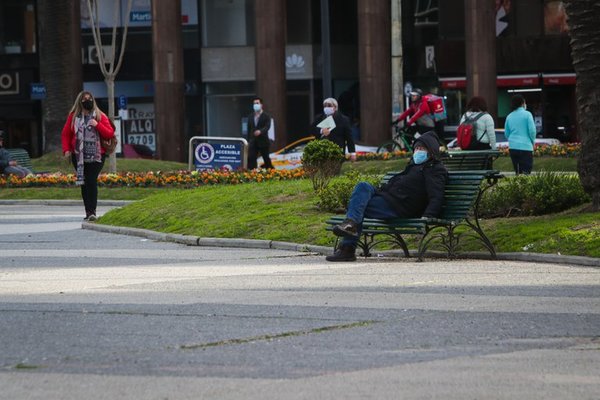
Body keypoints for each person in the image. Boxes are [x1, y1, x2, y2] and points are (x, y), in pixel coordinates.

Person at [327, 131, 448, 262]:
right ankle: (350, 228)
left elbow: (437, 195)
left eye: (422, 149)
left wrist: (428, 216)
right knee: (363, 186)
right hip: (388, 199)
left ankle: (347, 248)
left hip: (400, 206)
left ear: (431, 151)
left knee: (357, 209)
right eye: (416, 148)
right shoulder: (414, 166)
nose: (418, 151)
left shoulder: (434, 169)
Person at [61, 91, 115, 221]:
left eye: (90, 98)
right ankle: (88, 211)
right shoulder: (73, 116)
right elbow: (66, 134)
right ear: (80, 101)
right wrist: (66, 150)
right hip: (78, 155)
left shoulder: (99, 116)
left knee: (91, 180)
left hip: (97, 155)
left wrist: (97, 125)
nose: (87, 101)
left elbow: (109, 133)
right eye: (85, 99)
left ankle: (92, 211)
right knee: (84, 183)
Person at [310, 97, 356, 162]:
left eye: (329, 105)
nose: (326, 107)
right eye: (325, 106)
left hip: (337, 152)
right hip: (321, 152)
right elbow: (312, 129)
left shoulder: (343, 119)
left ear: (335, 107)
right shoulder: (319, 117)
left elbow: (349, 137)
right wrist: (321, 131)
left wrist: (352, 153)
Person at [504, 94, 536, 175]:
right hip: (526, 147)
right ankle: (524, 187)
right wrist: (533, 141)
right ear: (522, 103)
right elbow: (532, 131)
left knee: (518, 171)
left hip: (513, 147)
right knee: (526, 172)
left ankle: (518, 187)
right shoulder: (527, 114)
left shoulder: (509, 116)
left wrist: (513, 140)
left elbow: (506, 133)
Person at [246, 97, 273, 170]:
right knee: (251, 157)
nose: (255, 105)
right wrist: (248, 141)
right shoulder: (250, 116)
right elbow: (249, 129)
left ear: (261, 105)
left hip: (263, 141)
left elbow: (267, 126)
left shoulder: (266, 116)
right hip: (253, 141)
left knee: (266, 158)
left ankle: (270, 171)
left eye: (257, 103)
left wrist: (260, 131)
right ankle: (252, 173)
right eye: (254, 103)